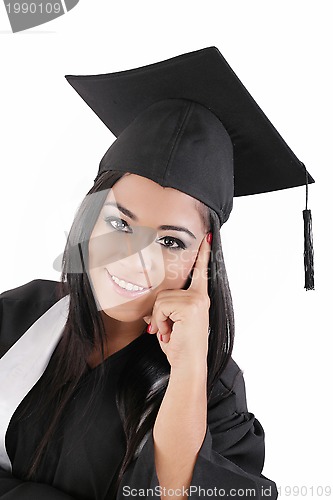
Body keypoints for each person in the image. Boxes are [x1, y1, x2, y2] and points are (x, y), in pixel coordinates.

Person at [0, 46, 314, 499]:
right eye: (119, 223)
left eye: (170, 241)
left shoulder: (214, 394)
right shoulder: (19, 315)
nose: (135, 258)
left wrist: (187, 374)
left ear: (201, 257)